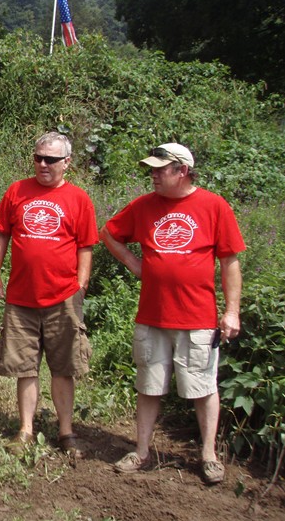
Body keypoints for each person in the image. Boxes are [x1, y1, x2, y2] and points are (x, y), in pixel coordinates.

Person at [100, 143, 244, 485]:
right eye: (151, 168)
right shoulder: (144, 205)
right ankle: (142, 451)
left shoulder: (214, 206)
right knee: (148, 385)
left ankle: (208, 455)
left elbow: (230, 262)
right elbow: (109, 233)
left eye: (160, 169)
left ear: (182, 171)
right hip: (152, 316)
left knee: (203, 388)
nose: (153, 174)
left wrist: (232, 311)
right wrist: (134, 264)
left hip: (198, 318)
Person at [0, 132, 98, 455]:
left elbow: (86, 245)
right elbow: (0, 236)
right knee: (25, 366)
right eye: (38, 158)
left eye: (51, 159)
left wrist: (81, 282)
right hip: (21, 297)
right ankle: (25, 430)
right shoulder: (17, 191)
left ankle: (66, 432)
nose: (43, 164)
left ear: (67, 163)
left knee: (63, 367)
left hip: (63, 297)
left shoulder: (79, 199)